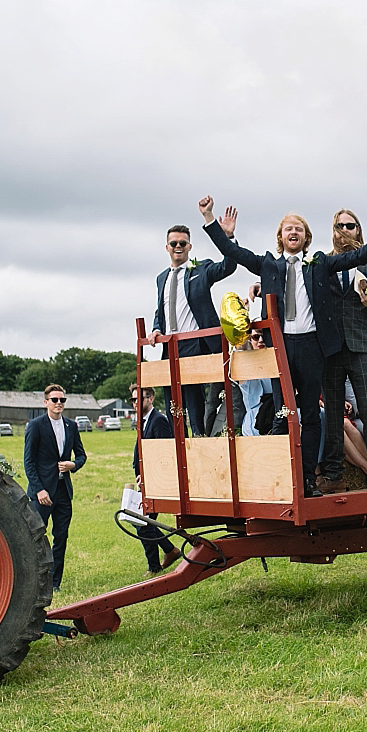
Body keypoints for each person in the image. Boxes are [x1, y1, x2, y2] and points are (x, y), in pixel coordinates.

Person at [199, 196, 367, 496]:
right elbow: (233, 253)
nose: (294, 233)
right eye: (288, 228)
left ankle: (308, 481)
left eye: (299, 230)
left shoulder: (319, 264)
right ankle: (280, 478)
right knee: (282, 413)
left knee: (311, 416)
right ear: (281, 236)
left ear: (306, 238)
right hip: (280, 346)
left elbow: (355, 258)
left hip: (312, 346)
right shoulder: (267, 264)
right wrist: (213, 221)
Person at [318, 209, 367, 494]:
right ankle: (334, 474)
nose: (345, 230)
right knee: (334, 413)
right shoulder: (324, 263)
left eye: (350, 225)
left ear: (359, 230)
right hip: (331, 349)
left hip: (361, 346)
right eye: (339, 225)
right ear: (333, 230)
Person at [149, 223, 238, 436]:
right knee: (173, 405)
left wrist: (228, 237)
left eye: (182, 243)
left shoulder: (201, 269)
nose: (178, 246)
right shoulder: (162, 277)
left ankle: (199, 442)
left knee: (194, 403)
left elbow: (229, 265)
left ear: (189, 247)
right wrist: (155, 328)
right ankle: (179, 451)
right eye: (173, 243)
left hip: (194, 343)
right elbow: (161, 308)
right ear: (167, 247)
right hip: (169, 346)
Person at [24, 384, 87, 592]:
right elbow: (29, 462)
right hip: (42, 492)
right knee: (35, 538)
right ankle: (33, 579)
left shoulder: (71, 426)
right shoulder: (36, 426)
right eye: (55, 400)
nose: (59, 403)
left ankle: (54, 582)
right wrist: (39, 490)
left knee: (61, 536)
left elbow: (81, 455)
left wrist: (73, 465)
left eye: (62, 400)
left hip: (63, 491)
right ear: (46, 403)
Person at [130, 385, 181, 575]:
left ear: (150, 398)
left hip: (156, 482)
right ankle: (170, 550)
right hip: (145, 481)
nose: (135, 403)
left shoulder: (158, 420)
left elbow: (165, 454)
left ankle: (154, 567)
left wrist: (149, 474)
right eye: (133, 400)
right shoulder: (143, 420)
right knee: (143, 522)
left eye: (139, 399)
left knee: (143, 524)